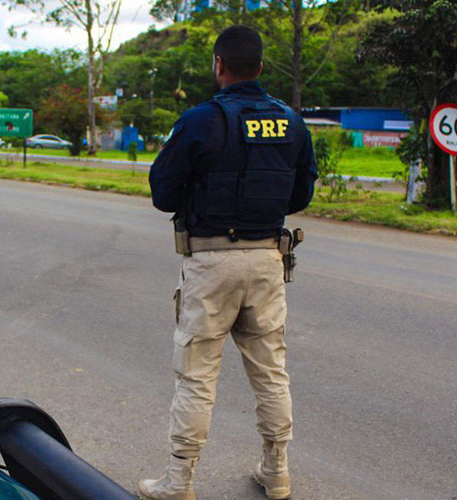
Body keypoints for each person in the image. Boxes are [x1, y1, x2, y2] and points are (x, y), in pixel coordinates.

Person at [139, 25, 317, 500]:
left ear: (219, 65)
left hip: (211, 262)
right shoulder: (291, 122)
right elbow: (301, 192)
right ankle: (277, 474)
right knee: (271, 371)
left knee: (196, 376)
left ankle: (179, 484)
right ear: (260, 67)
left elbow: (163, 193)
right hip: (266, 261)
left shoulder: (200, 121)